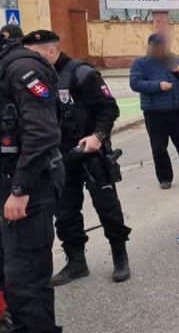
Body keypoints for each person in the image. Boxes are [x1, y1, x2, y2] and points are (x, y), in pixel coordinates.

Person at [23, 30, 132, 286]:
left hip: (91, 154)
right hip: (60, 158)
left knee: (108, 208)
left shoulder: (82, 73)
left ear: (51, 51)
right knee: (65, 213)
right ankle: (76, 262)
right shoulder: (36, 78)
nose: (29, 61)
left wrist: (98, 135)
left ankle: (120, 256)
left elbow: (109, 108)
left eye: (34, 54)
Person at [0, 32, 63, 332]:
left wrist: (20, 189)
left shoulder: (22, 69)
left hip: (28, 187)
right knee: (10, 277)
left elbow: (42, 134)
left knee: (26, 282)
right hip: (9, 184)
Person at [129, 34, 179, 189]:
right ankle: (165, 179)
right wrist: (158, 85)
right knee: (159, 148)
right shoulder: (141, 63)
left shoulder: (175, 60)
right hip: (154, 113)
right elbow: (135, 83)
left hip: (177, 111)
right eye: (157, 47)